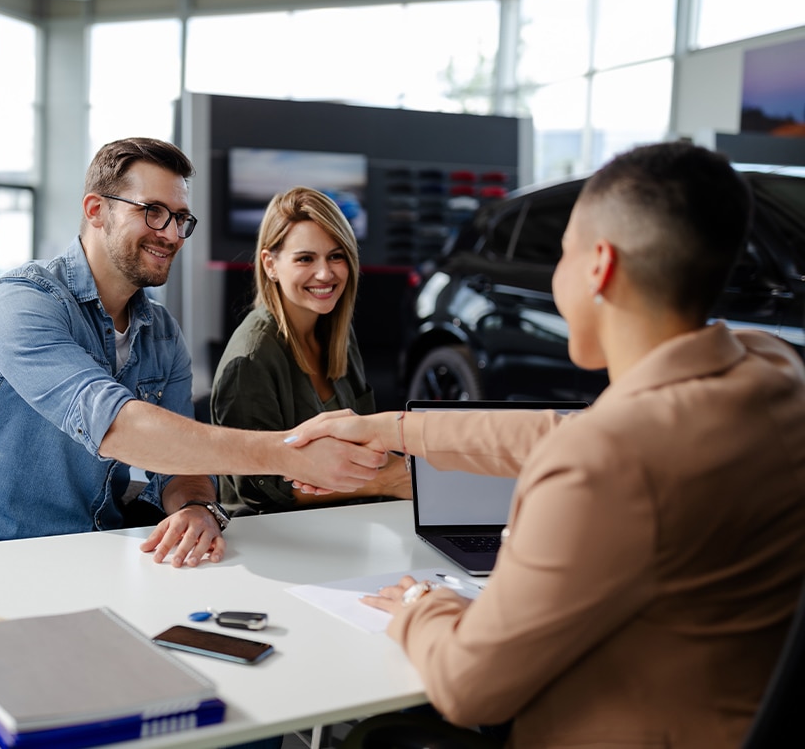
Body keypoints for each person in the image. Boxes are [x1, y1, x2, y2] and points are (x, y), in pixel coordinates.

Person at [290, 141, 805, 745]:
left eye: (560, 255)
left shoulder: (605, 465)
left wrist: (423, 607)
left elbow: (468, 684)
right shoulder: (774, 372)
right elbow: (572, 429)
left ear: (598, 268)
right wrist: (395, 429)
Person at [0, 137, 385, 567]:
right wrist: (288, 454)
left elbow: (181, 468)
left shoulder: (162, 332)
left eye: (180, 218)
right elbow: (118, 427)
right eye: (153, 212)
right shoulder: (21, 303)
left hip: (96, 552)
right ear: (96, 210)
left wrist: (195, 507)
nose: (170, 234)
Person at [210, 186, 411, 513]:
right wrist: (387, 481)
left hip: (348, 521)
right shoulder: (251, 359)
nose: (325, 273)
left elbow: (365, 440)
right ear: (270, 264)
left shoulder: (337, 333)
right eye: (305, 258)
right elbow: (260, 492)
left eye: (336, 255)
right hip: (276, 539)